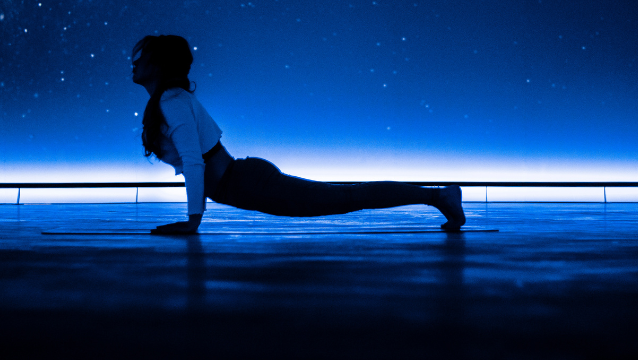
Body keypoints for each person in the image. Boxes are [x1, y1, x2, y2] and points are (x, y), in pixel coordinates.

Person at [132, 34, 466, 234]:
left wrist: (193, 222)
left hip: (248, 183)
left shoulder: (172, 102)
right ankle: (438, 197)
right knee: (347, 197)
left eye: (142, 57)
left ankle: (439, 197)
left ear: (158, 65)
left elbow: (193, 162)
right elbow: (197, 161)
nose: (134, 63)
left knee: (348, 198)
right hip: (246, 182)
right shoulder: (170, 101)